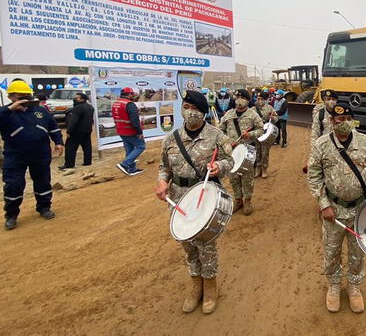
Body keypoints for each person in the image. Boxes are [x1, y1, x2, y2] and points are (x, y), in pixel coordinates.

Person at [155, 90, 234, 314]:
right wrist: (162, 182)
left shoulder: (216, 135)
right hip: (179, 198)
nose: (190, 112)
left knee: (205, 244)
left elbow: (230, 159)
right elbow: (164, 167)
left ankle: (210, 286)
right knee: (188, 245)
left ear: (203, 112)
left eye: (195, 109)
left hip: (205, 195)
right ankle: (195, 284)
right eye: (187, 107)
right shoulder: (171, 138)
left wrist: (221, 167)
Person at [307, 103, 366, 313]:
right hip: (333, 209)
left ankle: (354, 286)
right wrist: (324, 204)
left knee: (357, 251)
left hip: (361, 209)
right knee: (331, 250)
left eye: (347, 119)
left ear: (353, 120)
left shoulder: (364, 141)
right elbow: (314, 176)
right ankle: (333, 286)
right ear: (331, 121)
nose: (342, 123)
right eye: (338, 119)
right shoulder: (321, 144)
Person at [0, 80, 63, 230]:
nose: (25, 98)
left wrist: (58, 142)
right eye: (20, 96)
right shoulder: (4, 113)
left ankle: (44, 207)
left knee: (43, 182)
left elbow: (53, 126)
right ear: (11, 97)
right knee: (14, 185)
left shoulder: (41, 111)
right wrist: (11, 109)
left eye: (27, 95)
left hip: (41, 154)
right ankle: (11, 215)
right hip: (15, 156)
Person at [218, 89, 264, 215]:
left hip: (247, 151)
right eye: (237, 97)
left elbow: (261, 130)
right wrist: (225, 141)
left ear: (248, 100)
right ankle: (238, 200)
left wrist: (250, 134)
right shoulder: (228, 114)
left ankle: (248, 200)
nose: (239, 100)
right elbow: (220, 130)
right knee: (233, 177)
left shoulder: (253, 114)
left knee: (247, 177)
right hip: (231, 152)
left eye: (242, 97)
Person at [112, 87, 145, 176]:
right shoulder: (129, 104)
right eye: (132, 94)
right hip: (130, 131)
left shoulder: (116, 103)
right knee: (141, 146)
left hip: (121, 130)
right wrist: (139, 132)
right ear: (129, 94)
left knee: (129, 149)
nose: (133, 96)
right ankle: (125, 163)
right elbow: (134, 121)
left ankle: (131, 169)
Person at [60, 93, 94, 170]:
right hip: (87, 130)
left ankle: (69, 164)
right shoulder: (90, 107)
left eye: (77, 98)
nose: (75, 99)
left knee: (70, 147)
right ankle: (87, 161)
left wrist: (69, 131)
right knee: (87, 147)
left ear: (83, 99)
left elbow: (73, 121)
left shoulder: (77, 108)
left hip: (76, 131)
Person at [253, 91, 277, 178]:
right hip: (256, 132)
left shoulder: (270, 108)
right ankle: (258, 169)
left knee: (265, 152)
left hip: (266, 133)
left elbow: (276, 118)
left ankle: (264, 169)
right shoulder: (253, 109)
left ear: (265, 100)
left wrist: (273, 118)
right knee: (257, 151)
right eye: (258, 99)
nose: (259, 100)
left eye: (261, 99)